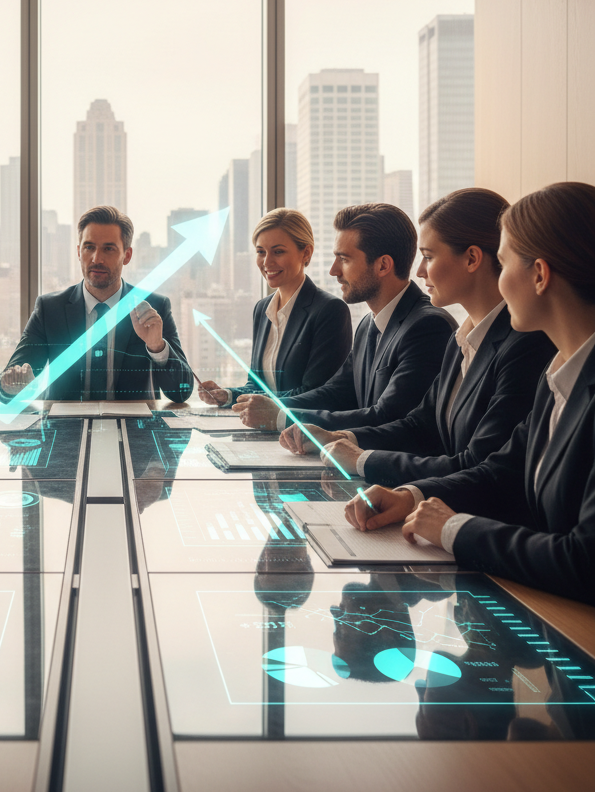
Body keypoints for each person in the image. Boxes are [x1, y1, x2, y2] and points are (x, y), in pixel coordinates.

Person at [346, 182, 595, 605]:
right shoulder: (559, 375)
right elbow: (503, 469)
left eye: (504, 260)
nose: (500, 277)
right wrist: (411, 497)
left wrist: (451, 528)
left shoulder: (543, 360)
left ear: (539, 274)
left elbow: (584, 559)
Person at [282, 189, 554, 485]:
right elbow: (421, 424)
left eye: (428, 257)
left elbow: (482, 465)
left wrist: (363, 459)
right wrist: (344, 437)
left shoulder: (516, 344)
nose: (419, 270)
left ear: (473, 258)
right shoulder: (461, 340)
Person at [235, 202, 455, 434]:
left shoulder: (428, 327)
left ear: (383, 265)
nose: (334, 270)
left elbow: (387, 416)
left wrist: (282, 418)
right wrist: (272, 407)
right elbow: (336, 392)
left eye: (344, 259)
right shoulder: (368, 324)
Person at [0, 205, 194, 403]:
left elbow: (181, 393)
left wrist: (156, 347)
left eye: (108, 248)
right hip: (66, 429)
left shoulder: (154, 307)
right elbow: (9, 383)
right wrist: (13, 386)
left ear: (127, 255)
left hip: (135, 430)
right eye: (89, 247)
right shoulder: (49, 309)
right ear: (78, 252)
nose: (96, 259)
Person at [197, 208, 351, 407]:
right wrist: (226, 395)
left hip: (303, 431)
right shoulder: (262, 309)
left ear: (306, 252)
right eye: (261, 252)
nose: (267, 262)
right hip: (263, 427)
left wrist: (257, 403)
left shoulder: (330, 311)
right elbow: (257, 386)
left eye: (278, 252)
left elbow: (315, 392)